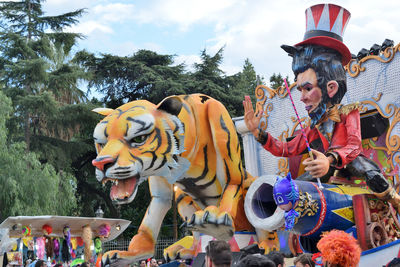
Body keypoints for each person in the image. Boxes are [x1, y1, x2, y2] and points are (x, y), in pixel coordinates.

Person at [242, 3, 398, 210]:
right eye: (299, 90)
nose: (302, 98)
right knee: (294, 188)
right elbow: (288, 148)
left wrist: (331, 158)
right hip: (324, 166)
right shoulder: (315, 124)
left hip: (348, 161)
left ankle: (395, 200)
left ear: (331, 88)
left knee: (371, 173)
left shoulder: (347, 112)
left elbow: (353, 146)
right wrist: (258, 133)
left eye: (307, 89)